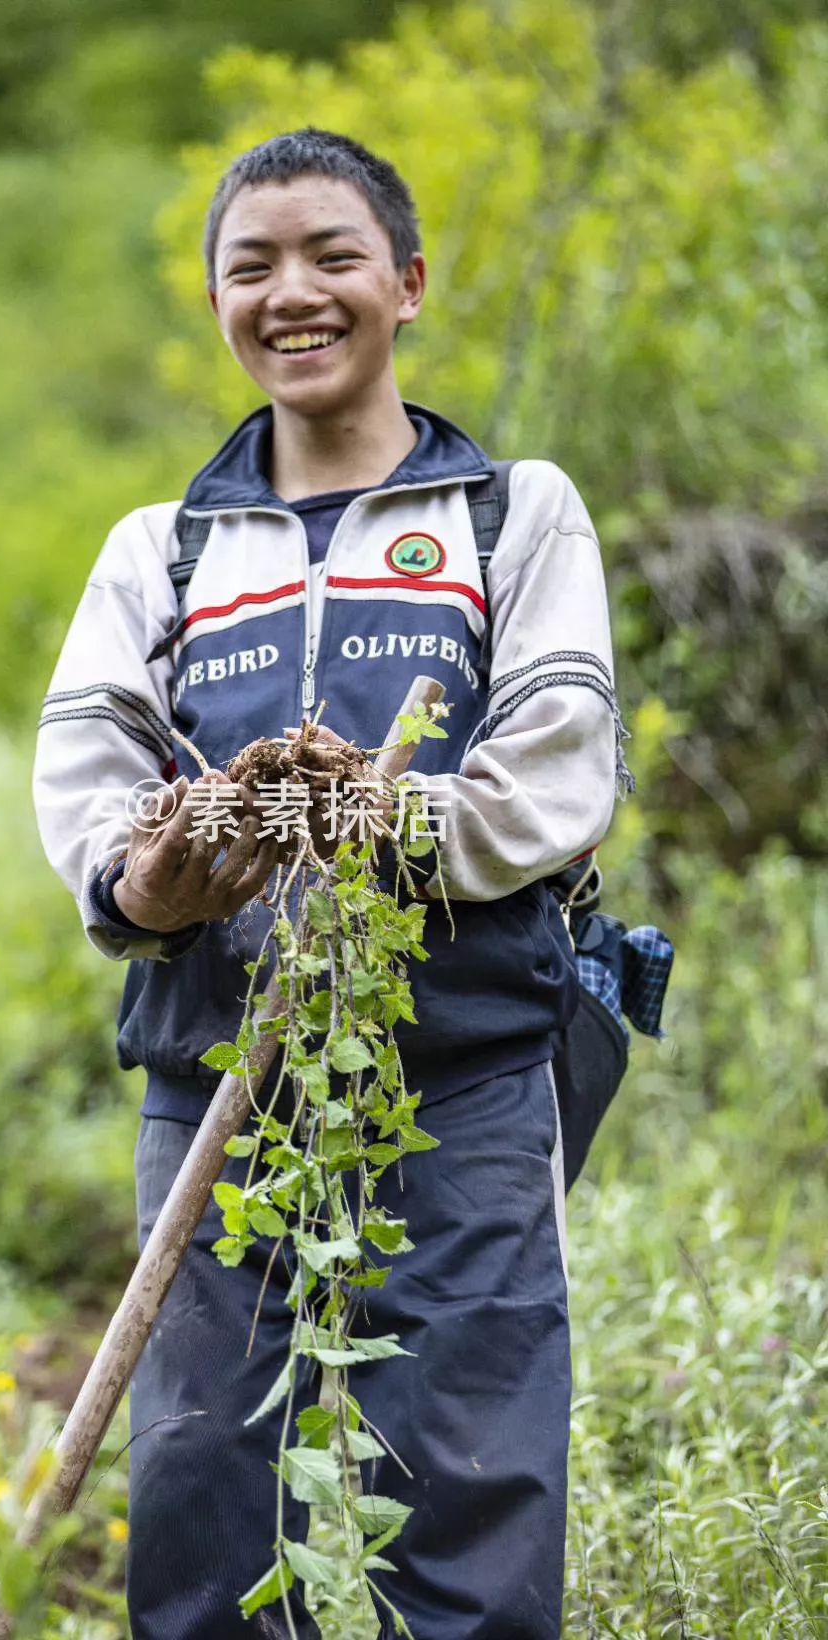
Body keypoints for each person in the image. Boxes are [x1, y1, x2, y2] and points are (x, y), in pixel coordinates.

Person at [34, 128, 626, 1640]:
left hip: (466, 1082)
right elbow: (90, 789)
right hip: (215, 1087)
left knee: (474, 1495)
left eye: (332, 256)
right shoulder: (163, 551)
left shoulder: (511, 514)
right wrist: (152, 883)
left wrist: (388, 817)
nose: (292, 293)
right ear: (218, 303)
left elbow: (555, 773)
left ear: (407, 284)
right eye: (252, 267)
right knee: (198, 1499)